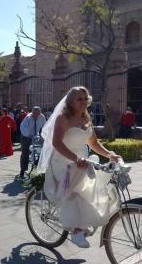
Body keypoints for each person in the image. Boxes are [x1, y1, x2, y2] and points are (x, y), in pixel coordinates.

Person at [37, 86, 120, 248]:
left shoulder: (86, 118)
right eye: (79, 99)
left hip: (82, 162)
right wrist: (75, 158)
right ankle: (76, 232)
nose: (83, 102)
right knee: (77, 193)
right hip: (63, 161)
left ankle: (82, 224)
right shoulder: (63, 118)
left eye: (85, 99)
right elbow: (56, 143)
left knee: (93, 188)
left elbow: (93, 143)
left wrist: (109, 154)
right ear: (71, 102)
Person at [18, 106, 47, 179]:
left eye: (38, 113)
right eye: (35, 113)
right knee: (25, 153)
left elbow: (45, 127)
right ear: (32, 112)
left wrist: (43, 136)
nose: (36, 115)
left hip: (36, 136)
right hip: (26, 136)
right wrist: (28, 138)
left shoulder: (42, 117)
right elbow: (23, 128)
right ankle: (22, 170)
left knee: (39, 151)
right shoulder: (28, 117)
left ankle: (38, 168)